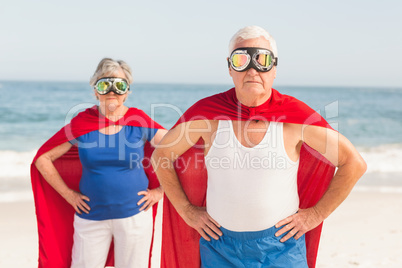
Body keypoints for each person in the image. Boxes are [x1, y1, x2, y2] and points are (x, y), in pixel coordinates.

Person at [151, 26, 367, 268]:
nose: (252, 70)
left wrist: (315, 215)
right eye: (242, 59)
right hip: (219, 248)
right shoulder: (208, 116)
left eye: (262, 60)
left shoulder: (296, 119)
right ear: (230, 68)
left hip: (281, 248)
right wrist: (187, 211)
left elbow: (353, 163)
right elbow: (162, 156)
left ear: (274, 69)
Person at [32, 58, 167, 268]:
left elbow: (178, 150)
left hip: (135, 217)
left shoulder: (139, 121)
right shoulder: (82, 124)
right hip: (90, 217)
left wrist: (160, 191)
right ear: (96, 91)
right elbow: (43, 159)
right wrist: (69, 195)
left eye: (119, 85)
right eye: (105, 85)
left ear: (127, 91)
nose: (112, 91)